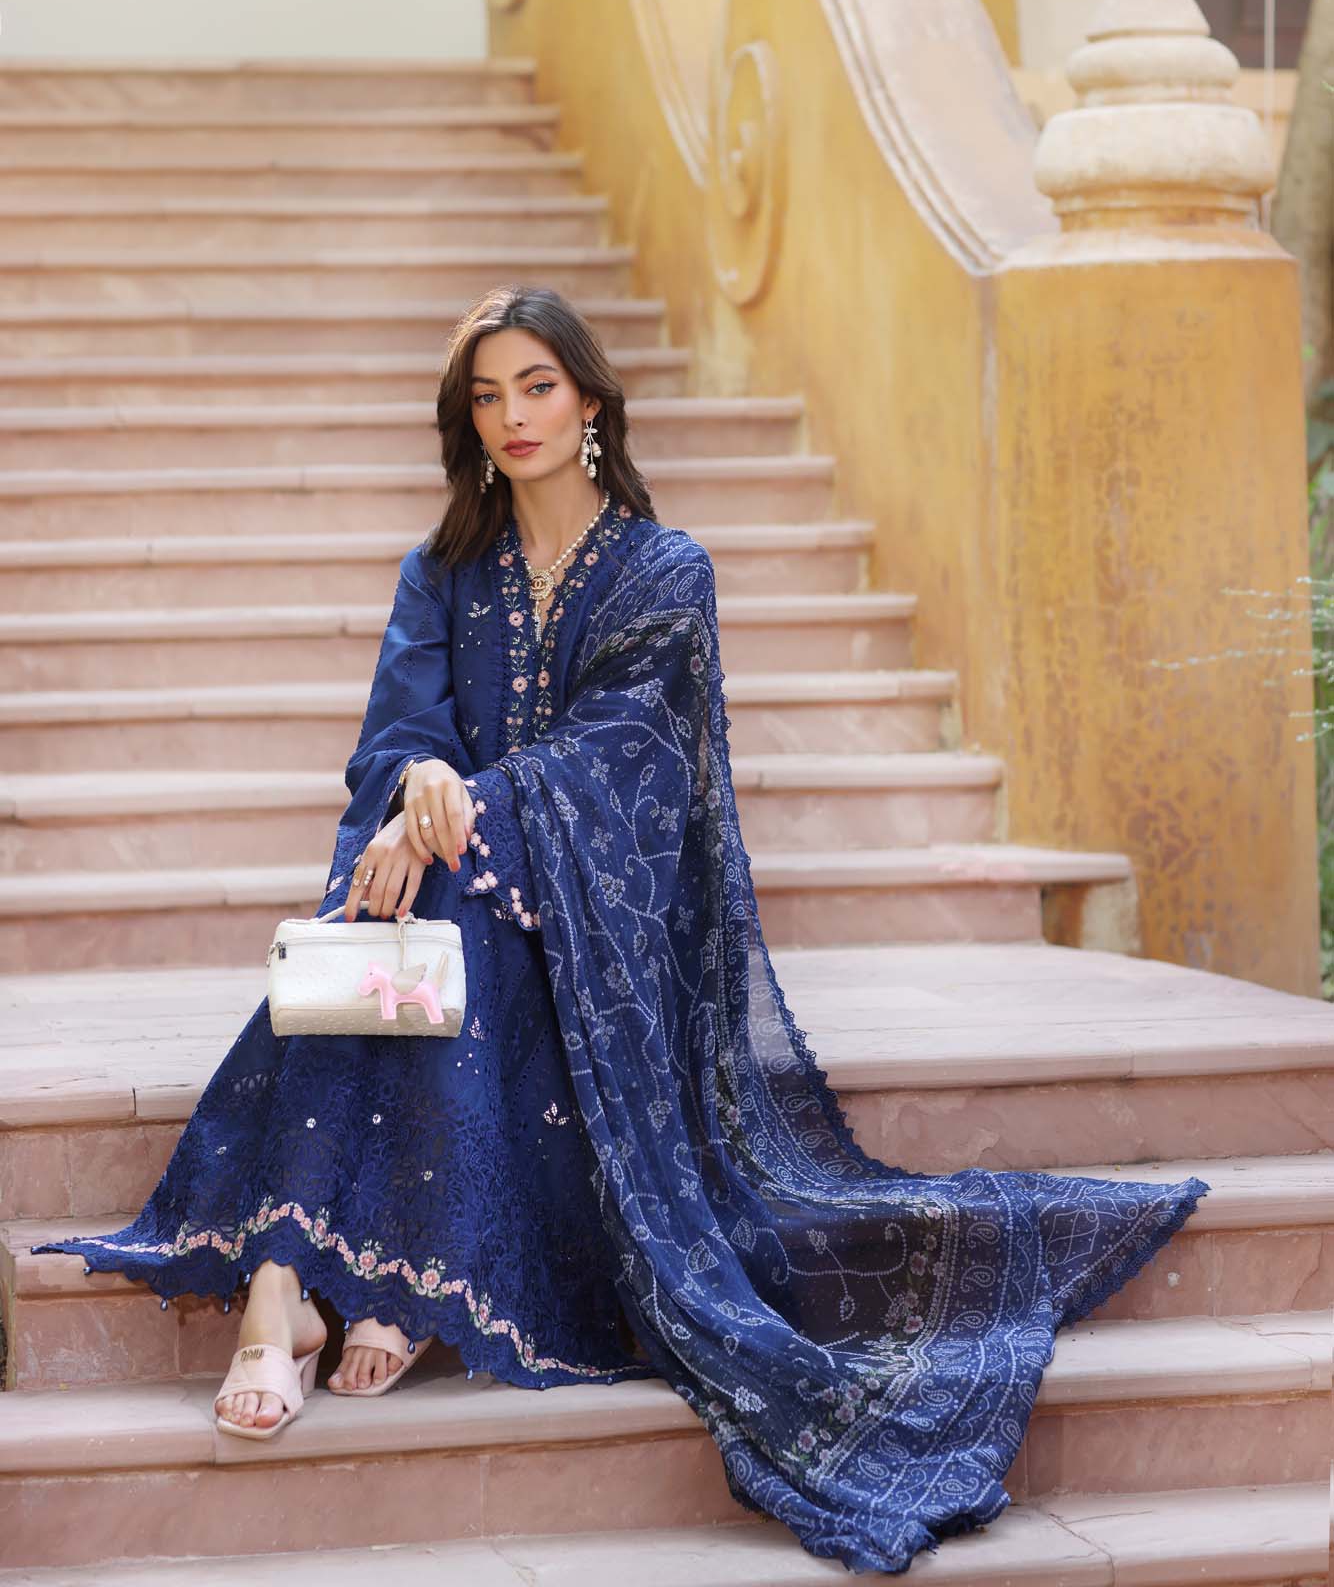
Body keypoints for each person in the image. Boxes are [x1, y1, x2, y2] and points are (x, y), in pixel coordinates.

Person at [35, 284, 1209, 1575]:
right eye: (487, 395)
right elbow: (395, 735)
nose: (513, 416)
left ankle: (307, 1288)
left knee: (438, 897)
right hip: (455, 908)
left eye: (537, 386)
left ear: (590, 399)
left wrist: (462, 809)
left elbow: (629, 766)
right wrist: (419, 785)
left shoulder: (664, 573)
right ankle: (320, 1287)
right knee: (416, 894)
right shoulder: (444, 573)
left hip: (597, 942)